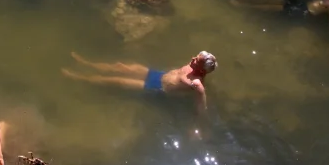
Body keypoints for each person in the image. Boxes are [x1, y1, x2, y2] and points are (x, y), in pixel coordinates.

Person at [61, 51, 217, 114]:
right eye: (196, 57)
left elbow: (201, 98)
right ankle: (87, 64)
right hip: (158, 75)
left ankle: (79, 78)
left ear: (202, 70)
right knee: (120, 67)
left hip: (157, 87)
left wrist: (199, 125)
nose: (192, 59)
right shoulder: (191, 66)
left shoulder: (196, 82)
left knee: (116, 81)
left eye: (197, 61)